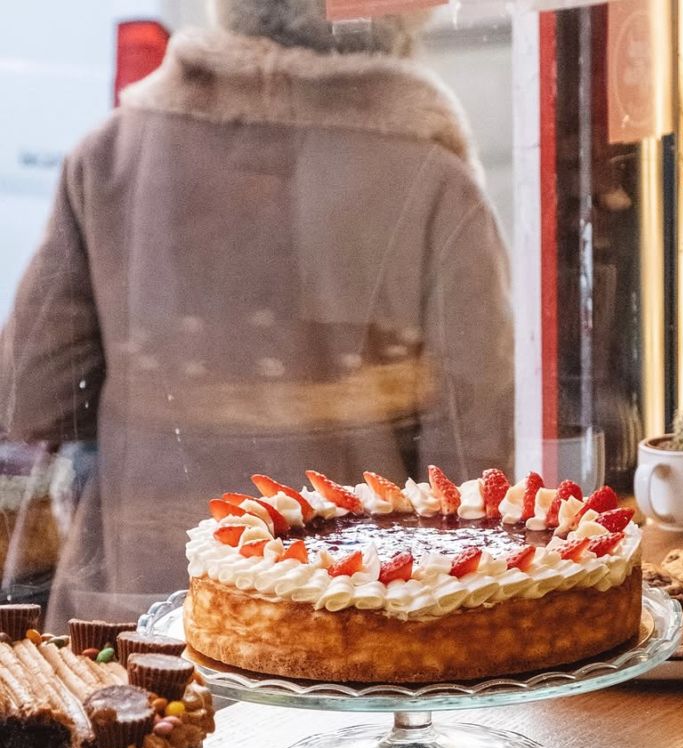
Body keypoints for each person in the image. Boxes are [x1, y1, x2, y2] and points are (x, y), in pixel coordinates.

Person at [0, 0, 514, 628]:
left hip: (137, 610)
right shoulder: (435, 181)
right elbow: (471, 457)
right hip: (346, 622)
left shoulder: (109, 154)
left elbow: (33, 394)